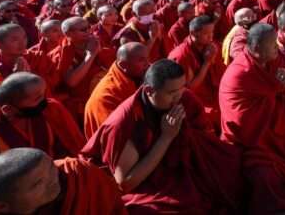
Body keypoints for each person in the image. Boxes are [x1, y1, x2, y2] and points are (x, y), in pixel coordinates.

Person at [81, 60, 243, 214]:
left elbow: (200, 137)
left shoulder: (183, 97)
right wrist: (166, 137)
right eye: (172, 93)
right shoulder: (128, 122)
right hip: (146, 184)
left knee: (232, 167)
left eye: (181, 89)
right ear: (149, 91)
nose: (179, 97)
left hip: (179, 167)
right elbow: (126, 183)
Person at [219, 24, 285, 214]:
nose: (276, 48)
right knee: (264, 174)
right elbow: (241, 119)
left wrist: (283, 85)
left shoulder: (269, 58)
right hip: (249, 135)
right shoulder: (242, 72)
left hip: (271, 119)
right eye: (272, 45)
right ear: (255, 49)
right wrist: (279, 87)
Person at [0, 73, 84, 212]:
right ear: (8, 109)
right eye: (37, 99)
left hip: (54, 188)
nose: (45, 101)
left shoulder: (51, 110)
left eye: (43, 94)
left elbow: (73, 146)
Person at [0, 147, 126, 215]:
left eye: (52, 168)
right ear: (1, 207)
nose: (53, 180)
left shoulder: (76, 173)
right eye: (38, 183)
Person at [51, 17, 113, 122]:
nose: (89, 31)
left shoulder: (96, 42)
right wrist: (91, 55)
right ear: (69, 34)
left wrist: (99, 51)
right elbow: (72, 82)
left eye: (89, 27)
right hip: (83, 104)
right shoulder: (62, 53)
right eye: (83, 30)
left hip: (105, 95)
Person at [83, 42, 150, 138]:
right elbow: (115, 135)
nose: (147, 64)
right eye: (141, 60)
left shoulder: (136, 75)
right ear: (123, 65)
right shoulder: (106, 97)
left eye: (147, 58)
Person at [168, 15, 224, 124]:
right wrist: (206, 63)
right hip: (197, 106)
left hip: (215, 97)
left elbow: (221, 72)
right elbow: (188, 89)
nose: (211, 37)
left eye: (212, 33)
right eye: (206, 34)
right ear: (193, 33)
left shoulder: (210, 46)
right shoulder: (181, 56)